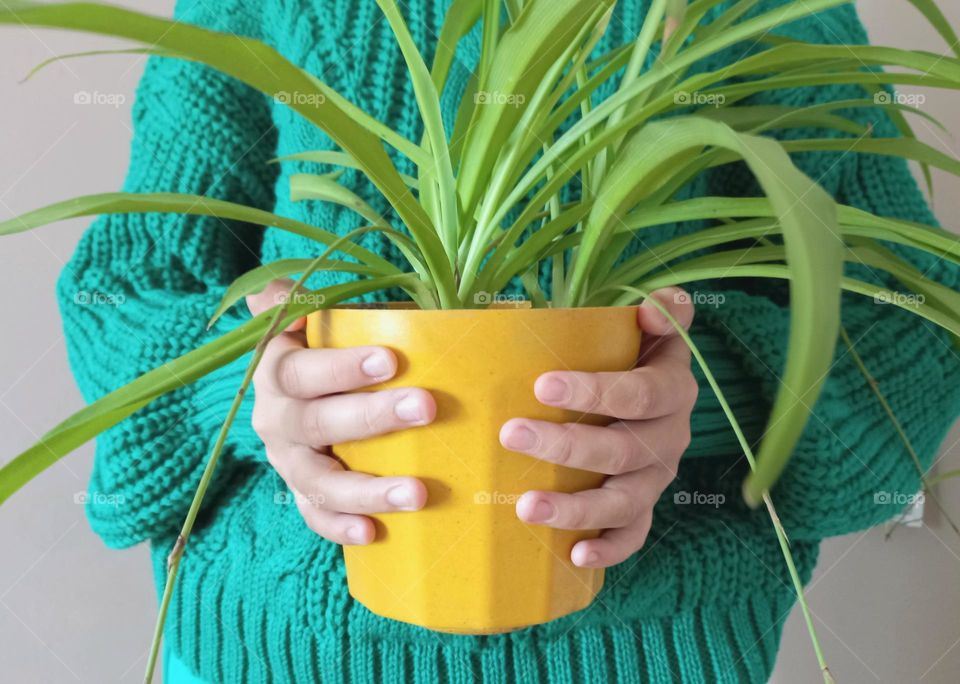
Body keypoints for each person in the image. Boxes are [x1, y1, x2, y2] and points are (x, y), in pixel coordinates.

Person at [58, 1, 960, 682]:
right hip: (268, 648)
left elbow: (914, 319)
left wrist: (700, 392)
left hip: (651, 652)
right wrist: (258, 386)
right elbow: (122, 296)